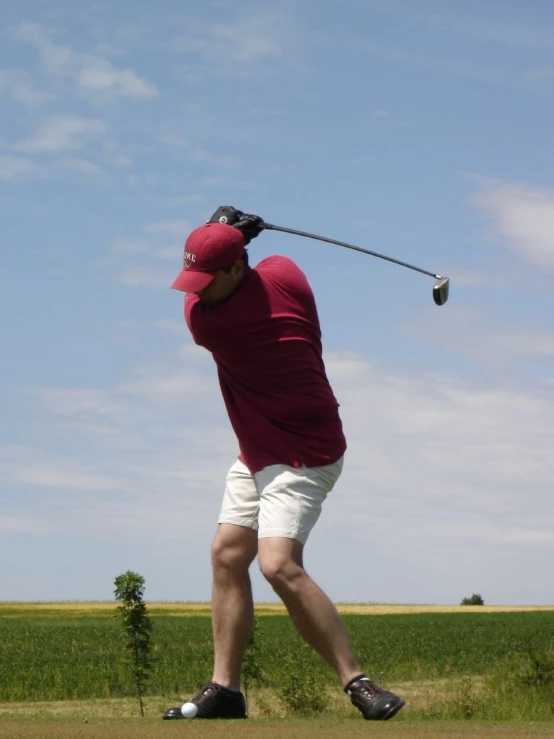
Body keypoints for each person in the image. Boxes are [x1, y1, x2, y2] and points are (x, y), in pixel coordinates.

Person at [163, 206, 405, 722]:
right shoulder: (287, 275)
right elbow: (268, 262)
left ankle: (358, 683)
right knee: (228, 555)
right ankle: (225, 690)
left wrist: (224, 227)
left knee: (277, 564)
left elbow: (193, 304)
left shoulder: (211, 325)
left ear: (235, 269)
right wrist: (232, 236)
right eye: (195, 280)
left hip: (304, 455)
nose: (199, 289)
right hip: (259, 448)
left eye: (209, 278)